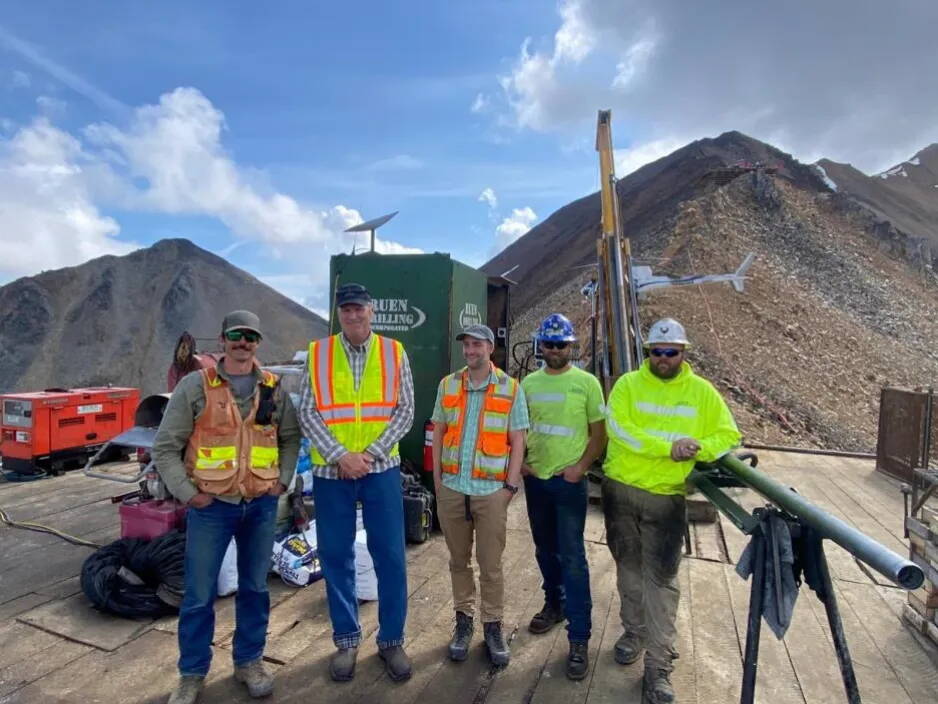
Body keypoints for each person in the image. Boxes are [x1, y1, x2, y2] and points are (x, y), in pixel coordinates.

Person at [153, 310, 301, 704]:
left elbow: (290, 438)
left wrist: (283, 480)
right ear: (222, 340)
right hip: (211, 507)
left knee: (255, 588)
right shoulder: (195, 386)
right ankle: (191, 673)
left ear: (257, 343)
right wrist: (188, 494)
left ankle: (249, 661)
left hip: (261, 506)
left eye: (250, 336)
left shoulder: (273, 389)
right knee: (198, 595)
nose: (243, 343)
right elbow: (165, 447)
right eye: (236, 335)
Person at [602, 318, 741, 704]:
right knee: (628, 571)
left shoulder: (702, 393)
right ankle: (634, 632)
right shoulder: (628, 385)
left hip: (665, 499)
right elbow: (619, 429)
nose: (663, 358)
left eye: (671, 352)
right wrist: (670, 447)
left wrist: (699, 447)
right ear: (649, 352)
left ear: (683, 353)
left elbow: (728, 435)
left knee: (661, 582)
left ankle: (659, 665)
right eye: (657, 352)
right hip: (622, 492)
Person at [297, 282, 415, 682]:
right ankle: (346, 640)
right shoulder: (318, 353)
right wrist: (340, 456)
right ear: (339, 314)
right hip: (332, 473)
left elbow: (405, 410)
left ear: (371, 310)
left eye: (359, 308)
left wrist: (368, 455)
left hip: (380, 469)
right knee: (335, 555)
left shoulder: (394, 352)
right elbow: (307, 412)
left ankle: (392, 640)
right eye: (346, 309)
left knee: (391, 556)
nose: (353, 315)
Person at [430, 324, 528, 667]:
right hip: (453, 490)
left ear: (490, 347)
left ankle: (493, 625)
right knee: (458, 562)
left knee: (491, 565)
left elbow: (518, 440)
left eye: (477, 345)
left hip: (490, 493)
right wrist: (438, 481)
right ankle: (463, 622)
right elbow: (438, 431)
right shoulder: (448, 384)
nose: (470, 351)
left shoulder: (510, 388)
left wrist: (509, 487)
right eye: (466, 345)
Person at [521, 313, 606, 680]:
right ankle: (554, 604)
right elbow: (518, 429)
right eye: (549, 344)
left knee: (573, 558)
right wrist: (521, 464)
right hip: (536, 482)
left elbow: (599, 433)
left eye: (561, 344)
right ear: (540, 346)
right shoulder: (528, 384)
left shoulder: (587, 384)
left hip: (569, 484)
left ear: (572, 346)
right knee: (545, 550)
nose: (554, 350)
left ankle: (579, 637)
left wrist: (581, 467)